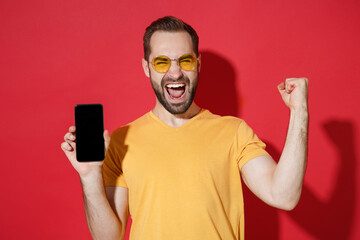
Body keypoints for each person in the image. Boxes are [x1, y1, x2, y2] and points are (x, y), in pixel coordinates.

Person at [61, 16, 308, 240]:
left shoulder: (234, 132)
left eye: (185, 60)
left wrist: (299, 111)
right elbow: (107, 238)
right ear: (147, 68)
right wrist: (90, 177)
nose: (175, 72)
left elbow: (284, 195)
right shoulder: (122, 140)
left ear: (198, 64)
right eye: (161, 62)